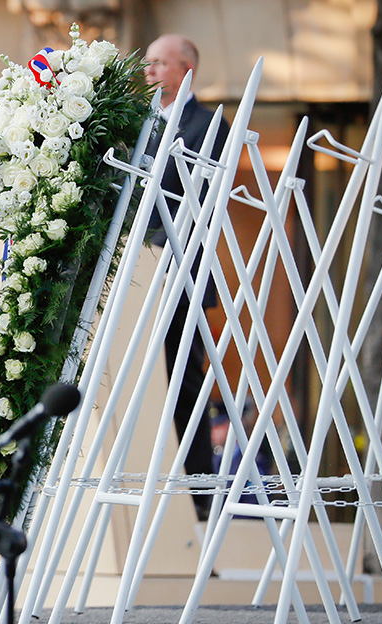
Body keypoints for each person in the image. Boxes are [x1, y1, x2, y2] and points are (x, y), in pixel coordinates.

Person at [143, 34, 231, 519]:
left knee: (183, 387)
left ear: (187, 69)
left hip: (178, 272)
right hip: (133, 277)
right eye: (148, 63)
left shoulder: (210, 124)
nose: (150, 72)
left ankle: (198, 501)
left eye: (160, 63)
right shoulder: (137, 124)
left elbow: (196, 194)